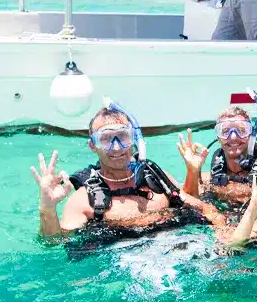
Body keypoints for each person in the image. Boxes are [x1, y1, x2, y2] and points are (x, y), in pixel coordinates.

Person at [32, 102, 227, 246]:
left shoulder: (156, 178)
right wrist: (47, 208)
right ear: (93, 146)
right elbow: (54, 244)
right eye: (106, 139)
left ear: (133, 140)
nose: (117, 147)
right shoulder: (84, 200)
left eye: (123, 137)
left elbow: (204, 208)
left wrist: (223, 232)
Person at [177, 106, 257, 213]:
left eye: (242, 130)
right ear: (219, 138)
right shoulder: (206, 179)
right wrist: (192, 170)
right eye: (225, 131)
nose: (233, 137)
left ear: (251, 136)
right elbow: (187, 203)